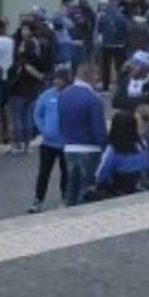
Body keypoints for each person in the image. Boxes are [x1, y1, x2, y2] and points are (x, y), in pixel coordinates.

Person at [57, 62, 107, 206]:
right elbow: (100, 131)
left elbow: (61, 122)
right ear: (90, 75)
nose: (98, 78)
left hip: (69, 148)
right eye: (97, 75)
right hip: (90, 149)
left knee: (71, 187)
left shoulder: (63, 95)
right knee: (87, 191)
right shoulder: (93, 99)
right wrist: (106, 150)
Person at [29, 69, 70, 213]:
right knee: (43, 172)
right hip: (48, 143)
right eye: (55, 79)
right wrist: (43, 129)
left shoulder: (71, 95)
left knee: (66, 172)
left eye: (60, 79)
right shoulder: (46, 95)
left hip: (66, 143)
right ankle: (38, 200)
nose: (56, 82)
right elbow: (37, 114)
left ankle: (66, 199)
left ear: (66, 80)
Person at [86, 111, 149, 201]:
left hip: (117, 190)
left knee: (86, 193)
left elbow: (100, 175)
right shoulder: (142, 144)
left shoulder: (113, 149)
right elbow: (146, 164)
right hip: (137, 186)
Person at [5, 23, 47, 155]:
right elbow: (41, 75)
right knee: (28, 118)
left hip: (17, 92)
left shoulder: (19, 63)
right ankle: (27, 146)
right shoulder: (36, 61)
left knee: (16, 119)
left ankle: (16, 145)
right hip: (32, 91)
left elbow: (10, 77)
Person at [111, 51, 149, 116]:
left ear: (145, 67)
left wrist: (127, 100)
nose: (131, 66)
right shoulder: (125, 81)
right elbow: (116, 102)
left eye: (136, 64)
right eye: (132, 63)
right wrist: (140, 99)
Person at [95, 0, 128, 92]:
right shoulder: (122, 17)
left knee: (106, 66)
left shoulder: (103, 18)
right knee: (120, 66)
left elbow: (99, 31)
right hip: (120, 45)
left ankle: (106, 87)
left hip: (107, 45)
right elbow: (126, 31)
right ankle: (122, 85)